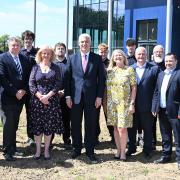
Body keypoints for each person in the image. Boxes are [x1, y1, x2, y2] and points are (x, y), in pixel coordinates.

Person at [65, 33, 105, 163]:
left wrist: (99, 96)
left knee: (91, 125)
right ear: (78, 43)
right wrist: (68, 96)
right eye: (82, 42)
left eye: (86, 42)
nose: (84, 44)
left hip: (92, 98)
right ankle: (76, 149)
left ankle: (90, 151)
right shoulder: (71, 58)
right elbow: (67, 79)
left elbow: (102, 80)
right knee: (75, 124)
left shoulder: (97, 58)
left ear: (90, 43)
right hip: (75, 98)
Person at [29, 45, 64, 160]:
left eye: (48, 53)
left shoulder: (56, 67)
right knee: (38, 127)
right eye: (44, 53)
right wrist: (40, 96)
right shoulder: (35, 67)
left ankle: (46, 150)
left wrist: (48, 96)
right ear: (40, 54)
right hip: (37, 102)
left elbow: (58, 83)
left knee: (48, 126)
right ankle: (38, 150)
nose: (46, 55)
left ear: (51, 55)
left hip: (51, 101)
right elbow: (31, 84)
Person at [0, 37, 30, 161]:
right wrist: (15, 91)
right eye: (13, 45)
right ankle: (7, 151)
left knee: (15, 124)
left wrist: (23, 90)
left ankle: (13, 148)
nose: (15, 47)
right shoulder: (2, 58)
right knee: (8, 125)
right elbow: (2, 78)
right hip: (7, 96)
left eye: (17, 45)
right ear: (8, 46)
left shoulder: (24, 58)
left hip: (20, 97)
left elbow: (28, 76)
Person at [126, 47, 159, 159]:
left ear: (147, 55)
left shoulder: (154, 69)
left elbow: (156, 90)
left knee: (148, 129)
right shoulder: (130, 69)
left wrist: (155, 105)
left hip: (148, 106)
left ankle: (147, 149)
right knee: (131, 129)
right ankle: (131, 148)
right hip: (133, 106)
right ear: (135, 55)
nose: (141, 56)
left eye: (143, 54)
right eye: (139, 54)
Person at [107, 49, 137, 161]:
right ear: (113, 58)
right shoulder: (110, 71)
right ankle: (118, 150)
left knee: (122, 129)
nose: (118, 57)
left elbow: (134, 87)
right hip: (112, 104)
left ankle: (123, 152)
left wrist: (132, 103)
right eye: (115, 55)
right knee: (115, 128)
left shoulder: (129, 70)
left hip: (124, 104)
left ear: (124, 57)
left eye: (120, 55)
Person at [152, 53, 180, 170]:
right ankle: (166, 155)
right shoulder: (161, 74)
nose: (168, 63)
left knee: (178, 136)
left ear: (176, 62)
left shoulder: (178, 74)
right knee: (165, 135)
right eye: (166, 61)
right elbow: (157, 92)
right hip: (162, 110)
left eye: (170, 61)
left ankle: (179, 159)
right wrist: (154, 107)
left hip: (175, 111)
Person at [20, 30, 38, 146]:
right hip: (20, 89)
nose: (28, 41)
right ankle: (11, 137)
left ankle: (31, 137)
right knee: (14, 114)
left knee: (31, 114)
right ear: (23, 40)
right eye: (26, 39)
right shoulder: (19, 52)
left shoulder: (37, 52)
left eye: (30, 39)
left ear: (32, 40)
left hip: (32, 90)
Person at [54, 42, 71, 150]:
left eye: (62, 48)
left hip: (66, 96)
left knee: (66, 119)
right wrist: (56, 92)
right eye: (58, 48)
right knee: (51, 118)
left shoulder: (70, 63)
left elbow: (72, 80)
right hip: (53, 96)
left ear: (65, 51)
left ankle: (66, 140)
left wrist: (65, 91)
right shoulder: (51, 64)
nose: (60, 50)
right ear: (55, 51)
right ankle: (49, 140)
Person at [95, 43, 114, 144]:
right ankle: (95, 136)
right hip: (96, 92)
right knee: (95, 115)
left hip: (107, 92)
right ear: (98, 51)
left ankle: (113, 135)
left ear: (107, 52)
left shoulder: (111, 63)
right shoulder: (94, 62)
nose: (103, 54)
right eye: (101, 52)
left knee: (109, 115)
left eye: (105, 52)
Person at [151, 45, 166, 150]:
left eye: (160, 52)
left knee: (164, 124)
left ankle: (166, 145)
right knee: (151, 122)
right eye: (156, 52)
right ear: (153, 53)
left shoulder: (168, 65)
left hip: (165, 100)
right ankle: (152, 142)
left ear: (163, 53)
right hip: (152, 99)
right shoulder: (149, 65)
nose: (158, 53)